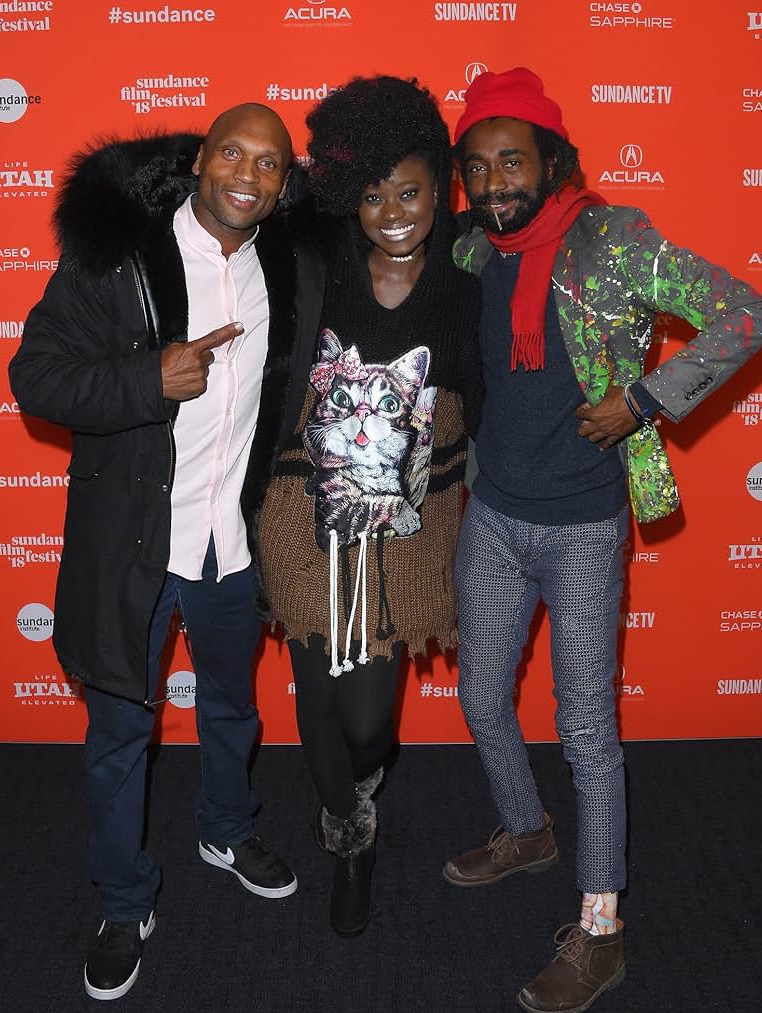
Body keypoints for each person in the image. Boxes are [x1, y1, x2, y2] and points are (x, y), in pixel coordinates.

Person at [443, 67, 762, 1013]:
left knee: (588, 730)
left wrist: (642, 398)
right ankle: (525, 828)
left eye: (514, 160)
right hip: (496, 515)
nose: (497, 180)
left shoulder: (615, 240)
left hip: (586, 523)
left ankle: (601, 931)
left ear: (553, 158)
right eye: (478, 165)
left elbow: (752, 313)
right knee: (477, 694)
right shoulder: (476, 252)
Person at [9, 104, 324, 1000]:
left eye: (269, 164)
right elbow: (33, 374)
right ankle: (121, 899)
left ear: (282, 182)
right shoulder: (119, 257)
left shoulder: (288, 267)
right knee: (119, 735)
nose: (248, 175)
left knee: (232, 706)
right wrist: (147, 379)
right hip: (134, 548)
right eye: (233, 152)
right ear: (200, 160)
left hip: (231, 545)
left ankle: (226, 827)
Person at [257, 76, 483, 937]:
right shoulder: (316, 267)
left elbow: (493, 396)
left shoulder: (468, 282)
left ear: (441, 188)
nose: (392, 209)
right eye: (373, 191)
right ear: (346, 194)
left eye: (412, 189)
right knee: (315, 675)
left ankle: (358, 784)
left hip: (411, 528)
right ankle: (347, 840)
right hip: (302, 510)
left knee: (369, 723)